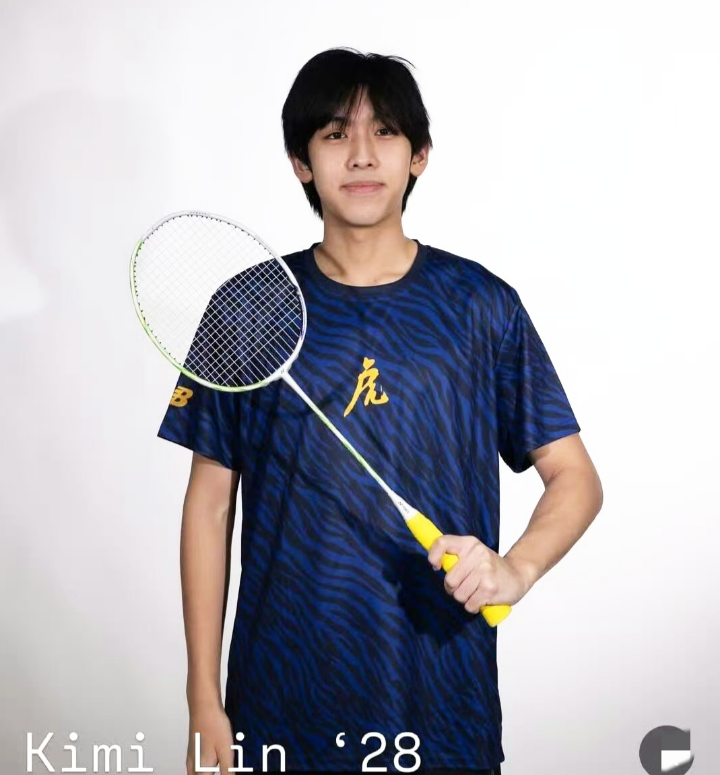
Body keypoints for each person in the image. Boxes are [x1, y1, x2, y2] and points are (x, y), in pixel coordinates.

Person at [157, 47, 603, 775]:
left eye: (385, 132)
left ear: (418, 155)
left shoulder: (481, 305)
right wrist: (202, 697)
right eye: (335, 134)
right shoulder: (247, 308)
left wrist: (515, 571)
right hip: (279, 702)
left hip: (443, 706)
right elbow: (208, 506)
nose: (361, 154)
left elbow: (576, 477)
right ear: (300, 162)